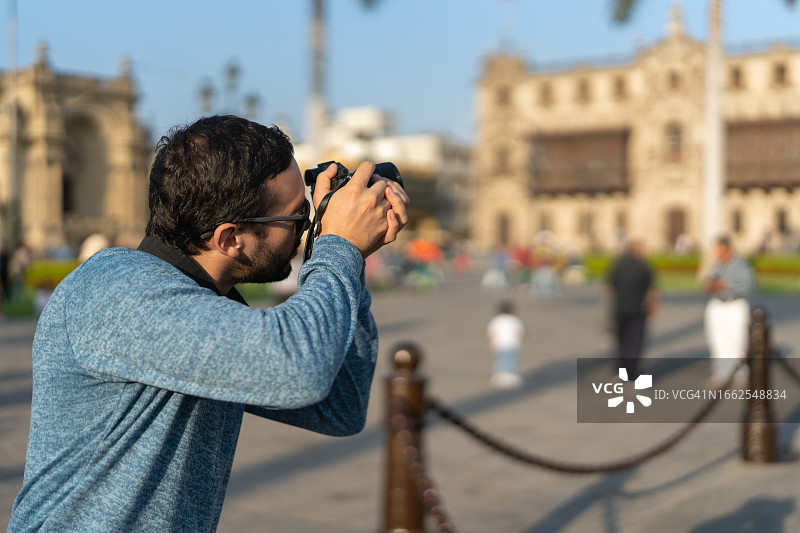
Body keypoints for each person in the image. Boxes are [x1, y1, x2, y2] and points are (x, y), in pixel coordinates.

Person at [7, 115, 409, 532]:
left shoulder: (198, 302)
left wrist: (348, 258)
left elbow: (338, 407)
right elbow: (299, 369)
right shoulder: (116, 290)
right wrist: (338, 246)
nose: (308, 229)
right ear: (229, 239)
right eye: (297, 220)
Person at [704, 236, 754, 388]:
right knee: (718, 341)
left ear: (726, 248)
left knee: (737, 339)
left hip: (734, 303)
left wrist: (725, 285)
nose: (716, 252)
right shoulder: (717, 265)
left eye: (718, 248)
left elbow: (747, 285)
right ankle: (721, 373)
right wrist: (713, 285)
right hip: (718, 304)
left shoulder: (740, 265)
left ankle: (740, 374)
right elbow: (708, 283)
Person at [607, 240, 659, 380]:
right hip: (638, 310)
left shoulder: (618, 265)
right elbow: (653, 290)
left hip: (620, 309)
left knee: (621, 342)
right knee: (635, 342)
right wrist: (652, 306)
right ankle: (631, 372)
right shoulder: (644, 266)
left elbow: (610, 287)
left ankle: (621, 371)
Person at [486, 300, 525, 388]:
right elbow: (520, 332)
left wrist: (490, 343)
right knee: (510, 360)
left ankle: (498, 377)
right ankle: (510, 377)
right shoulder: (514, 320)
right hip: (512, 343)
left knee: (500, 360)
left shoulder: (496, 320)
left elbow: (491, 333)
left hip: (498, 343)